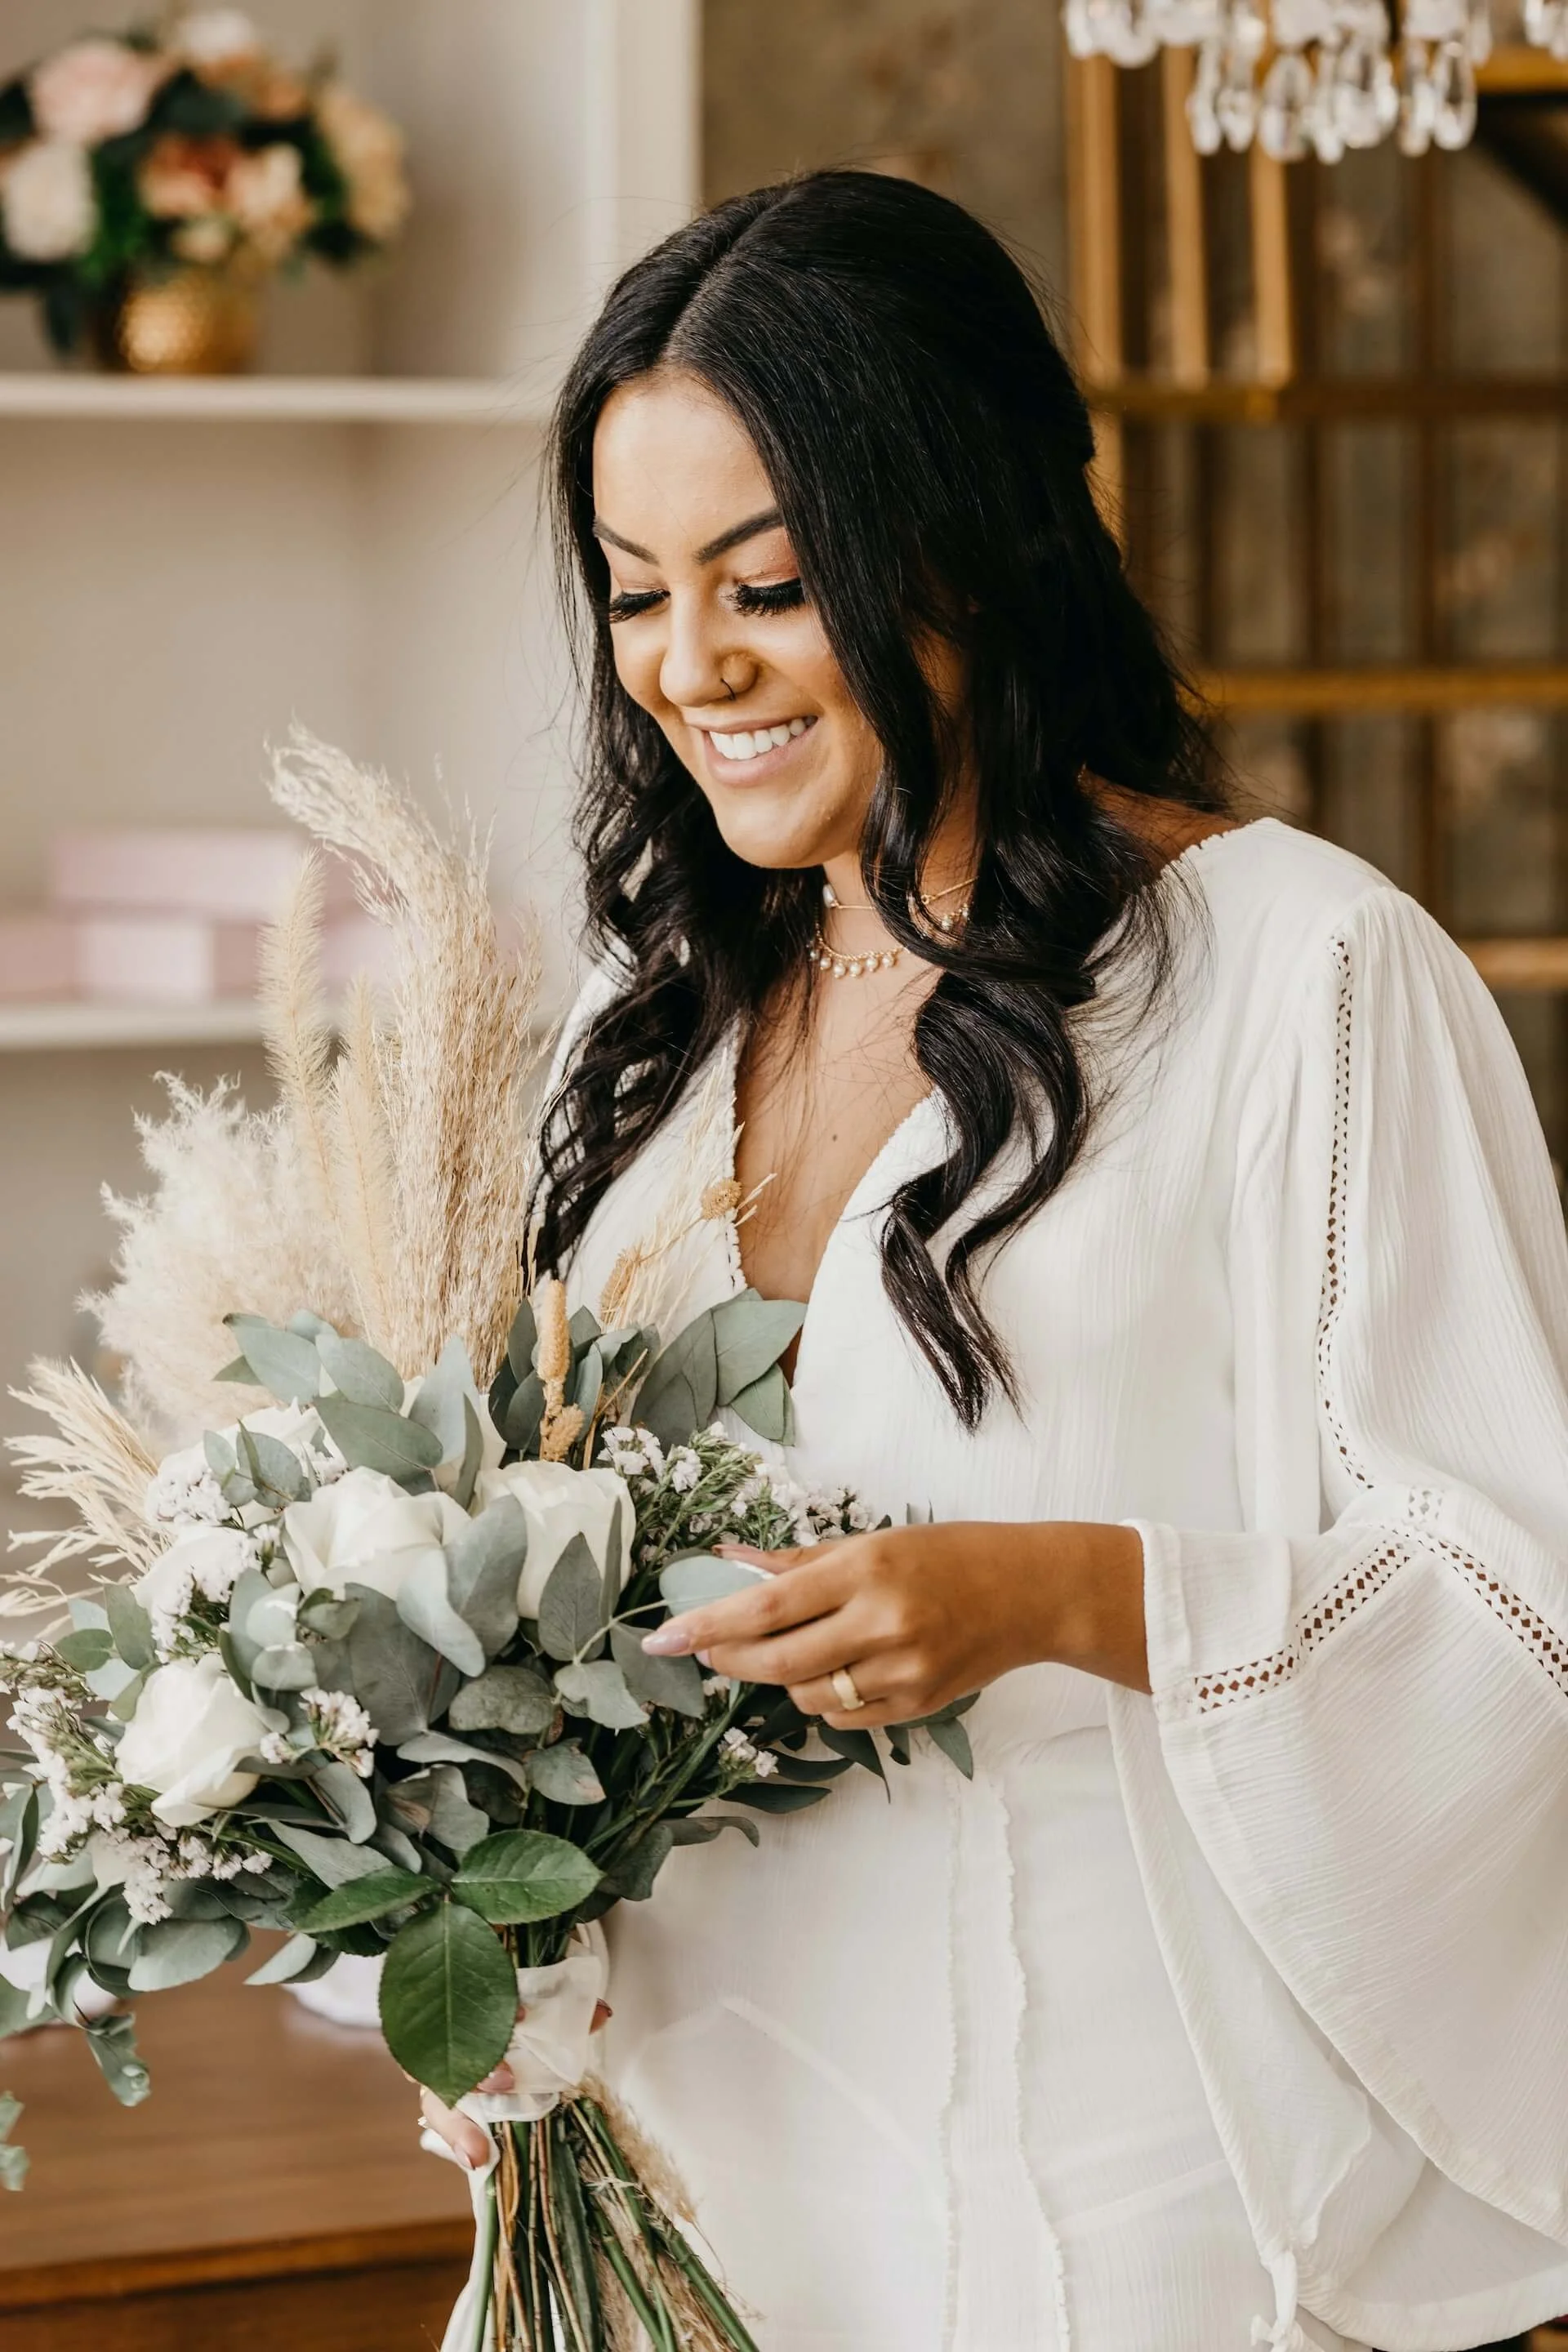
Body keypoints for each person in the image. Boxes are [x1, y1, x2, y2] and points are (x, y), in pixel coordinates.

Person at [421, 170, 1568, 2352]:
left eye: (768, 584)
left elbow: (1526, 1601)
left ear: (969, 539)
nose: (693, 667)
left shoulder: (1309, 977)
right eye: (637, 590)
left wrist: (1061, 1595)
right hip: (672, 2156)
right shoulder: (639, 1021)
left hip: (1114, 2184)